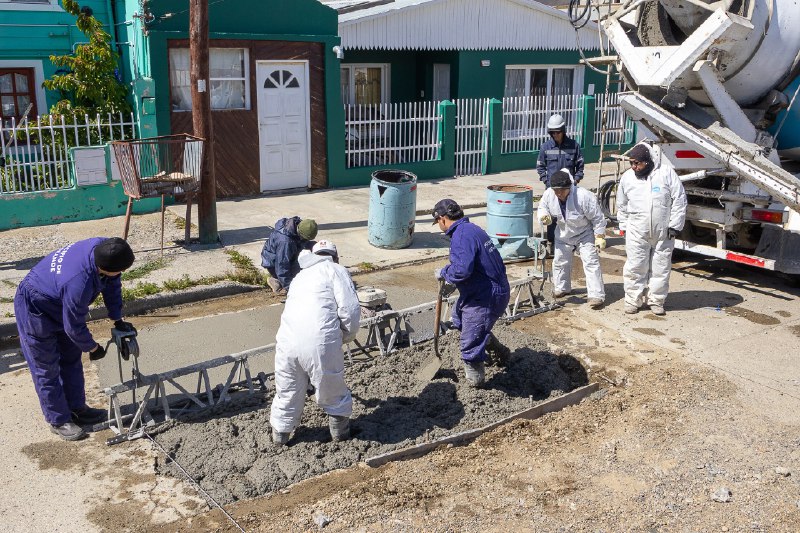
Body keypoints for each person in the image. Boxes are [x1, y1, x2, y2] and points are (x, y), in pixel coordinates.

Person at [13, 237, 136, 441]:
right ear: (103, 268)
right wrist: (93, 347)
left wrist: (117, 319)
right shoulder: (79, 283)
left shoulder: (107, 249)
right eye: (120, 270)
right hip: (35, 305)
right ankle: (59, 420)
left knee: (71, 358)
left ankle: (77, 409)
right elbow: (73, 326)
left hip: (58, 297)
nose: (122, 272)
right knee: (46, 367)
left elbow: (112, 284)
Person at [270, 240, 361, 445]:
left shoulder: (300, 276)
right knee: (332, 390)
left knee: (287, 391)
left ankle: (280, 439)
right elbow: (349, 310)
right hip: (320, 341)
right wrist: (346, 336)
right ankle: (341, 437)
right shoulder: (336, 270)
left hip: (287, 342)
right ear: (335, 257)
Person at [433, 199, 511, 387]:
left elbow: (461, 270)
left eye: (438, 223)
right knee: (458, 317)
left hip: (487, 296)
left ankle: (476, 383)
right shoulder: (472, 229)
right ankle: (497, 350)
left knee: (470, 342)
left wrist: (445, 272)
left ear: (442, 219)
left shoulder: (461, 236)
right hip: (483, 289)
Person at [617, 142, 687, 316]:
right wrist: (624, 226)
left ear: (647, 162)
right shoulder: (627, 178)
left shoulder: (665, 173)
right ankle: (632, 301)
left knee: (660, 268)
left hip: (663, 232)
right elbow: (621, 204)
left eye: (637, 163)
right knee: (635, 267)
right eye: (631, 163)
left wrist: (675, 225)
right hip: (636, 231)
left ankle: (656, 301)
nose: (634, 167)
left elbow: (679, 199)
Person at [537, 169, 607, 308]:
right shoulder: (549, 194)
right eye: (556, 190)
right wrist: (544, 216)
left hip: (584, 233)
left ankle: (596, 295)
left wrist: (599, 236)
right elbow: (542, 207)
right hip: (563, 233)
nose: (559, 194)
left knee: (590, 262)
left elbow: (597, 218)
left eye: (561, 190)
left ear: (569, 187)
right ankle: (562, 287)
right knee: (560, 261)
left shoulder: (584, 196)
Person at [536, 113, 585, 245]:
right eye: (552, 132)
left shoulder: (574, 146)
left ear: (563, 131)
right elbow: (540, 167)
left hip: (569, 190)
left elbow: (580, 166)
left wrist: (575, 180)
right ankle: (552, 242)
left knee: (570, 215)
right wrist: (547, 182)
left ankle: (571, 241)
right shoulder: (545, 147)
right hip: (553, 189)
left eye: (557, 132)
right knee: (552, 216)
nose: (555, 135)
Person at [260, 216, 318, 293]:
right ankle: (276, 281)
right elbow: (282, 265)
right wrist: (290, 289)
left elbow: (306, 243)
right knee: (300, 277)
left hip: (286, 254)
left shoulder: (297, 227)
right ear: (300, 233)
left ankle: (279, 279)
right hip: (273, 263)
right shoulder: (285, 242)